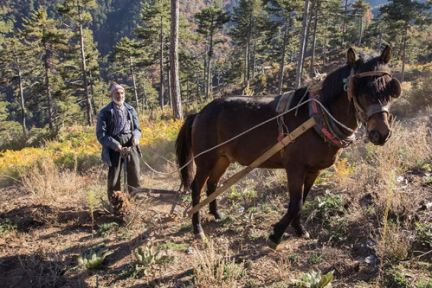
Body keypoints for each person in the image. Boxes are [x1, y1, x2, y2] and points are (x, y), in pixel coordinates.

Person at [96, 82, 141, 214]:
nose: (120, 95)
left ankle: (133, 203)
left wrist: (136, 137)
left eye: (122, 93)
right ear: (111, 95)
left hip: (130, 143)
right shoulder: (104, 112)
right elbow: (101, 135)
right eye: (117, 93)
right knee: (114, 177)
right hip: (113, 146)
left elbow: (137, 128)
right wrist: (115, 145)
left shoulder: (131, 109)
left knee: (135, 173)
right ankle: (115, 205)